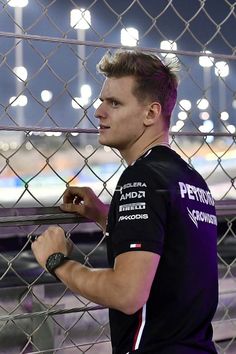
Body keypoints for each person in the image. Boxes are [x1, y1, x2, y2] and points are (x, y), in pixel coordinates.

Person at [31, 50, 218, 354]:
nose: (99, 112)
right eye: (103, 100)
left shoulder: (140, 179)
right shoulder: (191, 179)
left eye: (114, 103)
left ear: (151, 113)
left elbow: (127, 293)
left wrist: (58, 262)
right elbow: (169, 245)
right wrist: (107, 215)